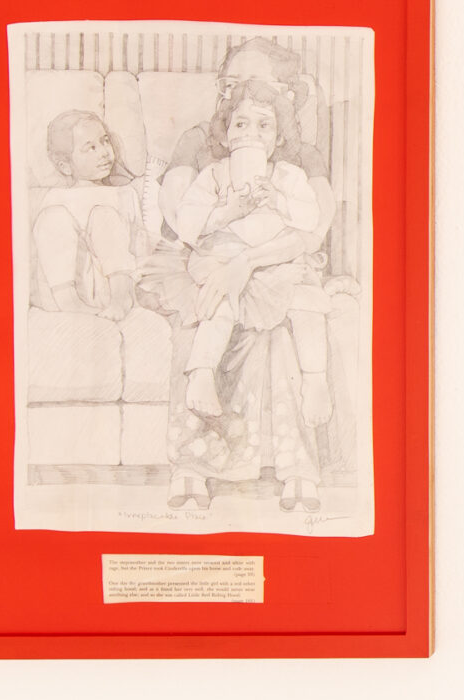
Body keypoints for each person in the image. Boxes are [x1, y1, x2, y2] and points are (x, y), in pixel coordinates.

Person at [163, 78, 334, 510]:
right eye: (241, 124)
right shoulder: (214, 175)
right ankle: (202, 371)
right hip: (220, 260)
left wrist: (277, 199)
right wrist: (228, 210)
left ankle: (315, 381)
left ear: (278, 139)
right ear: (225, 133)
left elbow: (309, 220)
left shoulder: (289, 176)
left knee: (307, 303)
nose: (251, 134)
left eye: (264, 126)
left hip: (276, 267)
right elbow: (188, 225)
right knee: (216, 303)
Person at [30, 109, 151, 318]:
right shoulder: (55, 197)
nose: (104, 152)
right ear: (65, 166)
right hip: (68, 287)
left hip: (112, 285)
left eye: (105, 141)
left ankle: (121, 299)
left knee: (104, 217)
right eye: (91, 148)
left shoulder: (124, 193)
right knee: (52, 218)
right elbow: (48, 247)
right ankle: (70, 302)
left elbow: (140, 246)